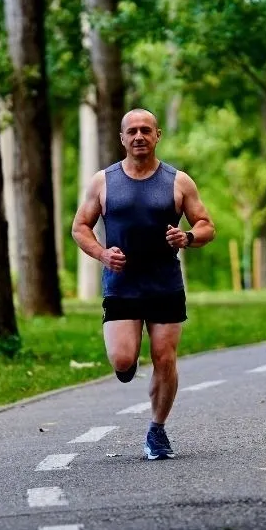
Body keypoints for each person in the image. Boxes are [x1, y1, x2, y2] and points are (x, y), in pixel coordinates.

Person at [71, 108, 216, 460]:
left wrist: (187, 236)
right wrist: (103, 255)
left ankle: (157, 430)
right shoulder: (103, 181)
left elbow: (206, 226)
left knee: (165, 358)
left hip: (164, 283)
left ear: (157, 135)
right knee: (122, 360)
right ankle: (128, 362)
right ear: (122, 138)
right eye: (132, 131)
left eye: (146, 130)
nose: (139, 136)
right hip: (122, 284)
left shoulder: (178, 181)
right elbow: (80, 228)